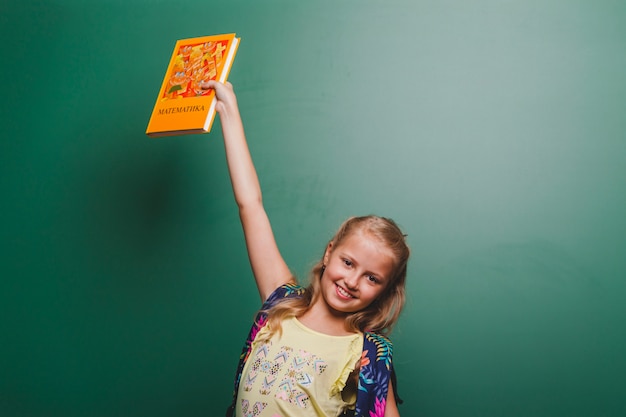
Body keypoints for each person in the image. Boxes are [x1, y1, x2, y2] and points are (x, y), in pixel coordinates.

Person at [206, 80, 410, 417]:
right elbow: (250, 206)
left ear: (385, 290)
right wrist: (229, 112)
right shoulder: (280, 302)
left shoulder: (364, 355)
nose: (352, 281)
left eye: (372, 278)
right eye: (348, 262)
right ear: (329, 252)